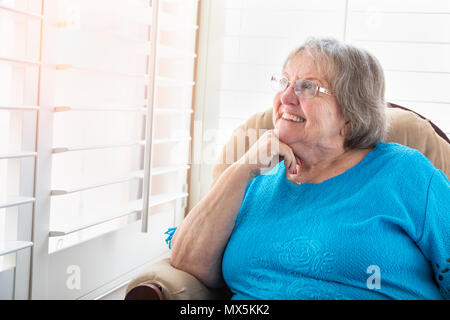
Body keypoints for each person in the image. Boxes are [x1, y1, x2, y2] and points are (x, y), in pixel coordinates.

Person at [168, 37, 450, 300]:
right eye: (284, 82)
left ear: (351, 115)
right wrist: (244, 169)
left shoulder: (406, 174)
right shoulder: (253, 180)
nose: (286, 97)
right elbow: (187, 263)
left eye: (307, 87)